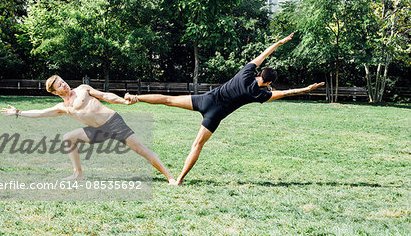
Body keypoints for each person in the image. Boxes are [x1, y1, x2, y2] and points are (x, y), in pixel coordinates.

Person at [125, 33, 325, 185]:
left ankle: (135, 97)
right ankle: (178, 180)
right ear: (269, 81)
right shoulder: (259, 94)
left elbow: (263, 55)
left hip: (205, 100)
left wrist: (279, 43)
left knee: (168, 100)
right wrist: (306, 89)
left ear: (260, 73)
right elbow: (287, 93)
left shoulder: (246, 73)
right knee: (197, 145)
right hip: (215, 115)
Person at [1, 75, 176, 184]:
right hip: (97, 131)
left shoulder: (83, 90)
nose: (65, 85)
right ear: (54, 92)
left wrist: (123, 101)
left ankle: (170, 177)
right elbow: (40, 113)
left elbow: (105, 96)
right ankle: (78, 175)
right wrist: (19, 112)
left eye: (63, 82)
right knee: (68, 137)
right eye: (60, 85)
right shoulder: (62, 107)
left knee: (140, 149)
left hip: (113, 122)